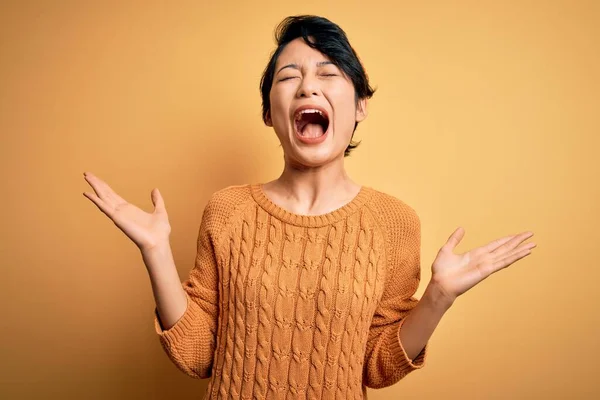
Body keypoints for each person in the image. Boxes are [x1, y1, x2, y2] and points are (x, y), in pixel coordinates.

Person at [82, 15, 536, 400]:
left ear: (359, 106)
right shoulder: (227, 210)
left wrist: (437, 298)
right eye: (288, 77)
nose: (306, 88)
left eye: (327, 73)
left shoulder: (394, 222)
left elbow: (376, 368)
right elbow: (200, 356)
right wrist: (156, 251)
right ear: (268, 112)